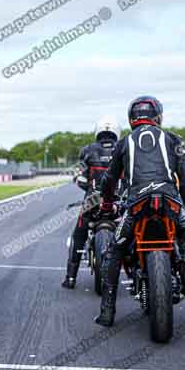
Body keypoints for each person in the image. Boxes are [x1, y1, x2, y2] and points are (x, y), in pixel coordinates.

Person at [96, 96, 185, 327]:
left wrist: (105, 205)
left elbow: (109, 181)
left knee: (115, 250)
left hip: (136, 205)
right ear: (158, 116)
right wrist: (181, 203)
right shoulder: (173, 139)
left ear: (132, 118)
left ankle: (107, 312)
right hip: (170, 202)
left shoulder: (123, 143)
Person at [62, 115, 121, 289]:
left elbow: (80, 179)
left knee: (78, 234)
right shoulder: (123, 148)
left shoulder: (87, 150)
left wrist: (91, 190)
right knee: (133, 233)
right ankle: (140, 276)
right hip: (119, 200)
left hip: (92, 200)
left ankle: (70, 278)